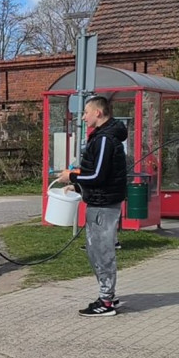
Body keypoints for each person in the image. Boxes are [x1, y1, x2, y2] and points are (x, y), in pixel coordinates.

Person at [55, 95, 128, 317]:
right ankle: (108, 295)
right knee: (93, 251)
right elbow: (94, 173)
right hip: (96, 200)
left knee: (102, 251)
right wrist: (78, 186)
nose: (84, 117)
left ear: (98, 113)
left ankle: (106, 302)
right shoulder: (100, 137)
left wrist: (72, 177)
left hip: (104, 205)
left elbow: (97, 174)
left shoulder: (105, 139)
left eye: (86, 112)